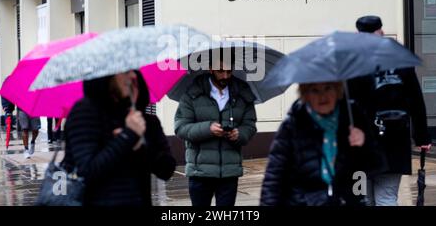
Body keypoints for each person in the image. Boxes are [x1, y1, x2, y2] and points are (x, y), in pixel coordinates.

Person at [349, 15, 432, 206]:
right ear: (382, 32)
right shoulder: (401, 59)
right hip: (393, 141)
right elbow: (415, 100)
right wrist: (422, 137)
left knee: (361, 197)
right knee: (387, 197)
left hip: (357, 146)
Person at [62, 70, 176, 206]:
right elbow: (87, 170)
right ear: (106, 76)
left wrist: (143, 146)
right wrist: (127, 137)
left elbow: (166, 170)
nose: (133, 76)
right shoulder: (85, 111)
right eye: (126, 72)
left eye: (134, 71)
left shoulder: (145, 120)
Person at [260, 82, 378, 206]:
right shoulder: (292, 125)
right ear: (306, 95)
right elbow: (274, 176)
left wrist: (364, 143)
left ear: (337, 90)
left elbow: (375, 165)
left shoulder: (353, 118)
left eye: (328, 88)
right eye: (315, 90)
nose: (322, 96)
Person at [174, 52, 257, 206]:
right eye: (220, 71)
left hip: (229, 172)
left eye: (229, 71)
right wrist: (208, 129)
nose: (225, 76)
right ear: (210, 68)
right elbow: (180, 128)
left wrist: (240, 134)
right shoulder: (192, 93)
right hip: (200, 172)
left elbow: (250, 125)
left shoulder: (242, 92)